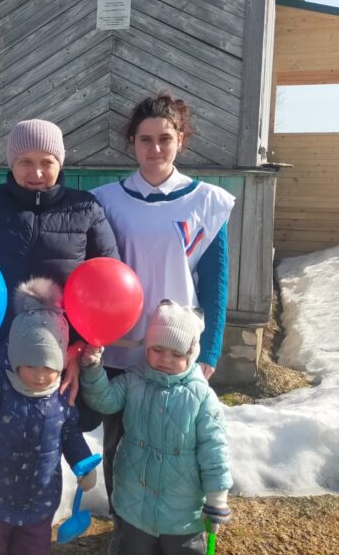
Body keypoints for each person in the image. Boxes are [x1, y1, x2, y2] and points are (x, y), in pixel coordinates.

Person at [91, 93, 236, 509]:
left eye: (165, 139)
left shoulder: (206, 202)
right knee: (120, 443)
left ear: (181, 140)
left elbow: (215, 282)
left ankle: (169, 524)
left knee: (177, 443)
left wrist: (210, 348)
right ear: (132, 142)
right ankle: (124, 522)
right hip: (121, 348)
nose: (155, 148)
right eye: (145, 139)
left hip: (177, 348)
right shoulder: (106, 200)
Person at [0, 119, 120, 425]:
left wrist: (79, 349)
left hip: (59, 359)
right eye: (25, 161)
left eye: (46, 162)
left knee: (56, 441)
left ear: (60, 162)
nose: (36, 173)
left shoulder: (85, 209)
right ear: (11, 163)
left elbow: (110, 287)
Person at [0, 277, 98, 555]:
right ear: (16, 358)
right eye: (31, 366)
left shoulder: (61, 396)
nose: (40, 375)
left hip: (39, 501)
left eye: (49, 368)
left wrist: (82, 463)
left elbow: (70, 433)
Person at [79, 300, 233, 555]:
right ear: (147, 347)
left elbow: (214, 450)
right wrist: (94, 370)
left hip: (181, 513)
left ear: (191, 355)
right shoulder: (134, 380)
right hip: (134, 504)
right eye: (157, 349)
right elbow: (105, 400)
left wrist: (217, 496)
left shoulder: (201, 397)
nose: (165, 359)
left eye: (176, 354)